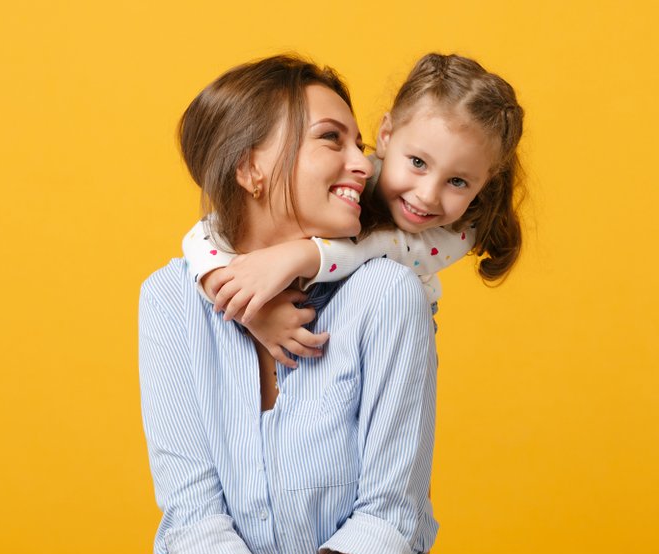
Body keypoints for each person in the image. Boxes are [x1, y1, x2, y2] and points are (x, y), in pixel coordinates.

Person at [139, 55, 438, 554]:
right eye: (330, 138)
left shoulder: (388, 293)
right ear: (250, 167)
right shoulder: (170, 299)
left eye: (361, 145)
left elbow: (388, 517)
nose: (365, 166)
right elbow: (192, 517)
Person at [181, 53, 525, 365]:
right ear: (386, 135)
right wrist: (250, 311)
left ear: (485, 182)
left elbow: (391, 247)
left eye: (458, 182)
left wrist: (302, 255)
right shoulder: (358, 176)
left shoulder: (460, 229)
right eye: (418, 162)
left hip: (385, 331)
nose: (427, 196)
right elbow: (205, 235)